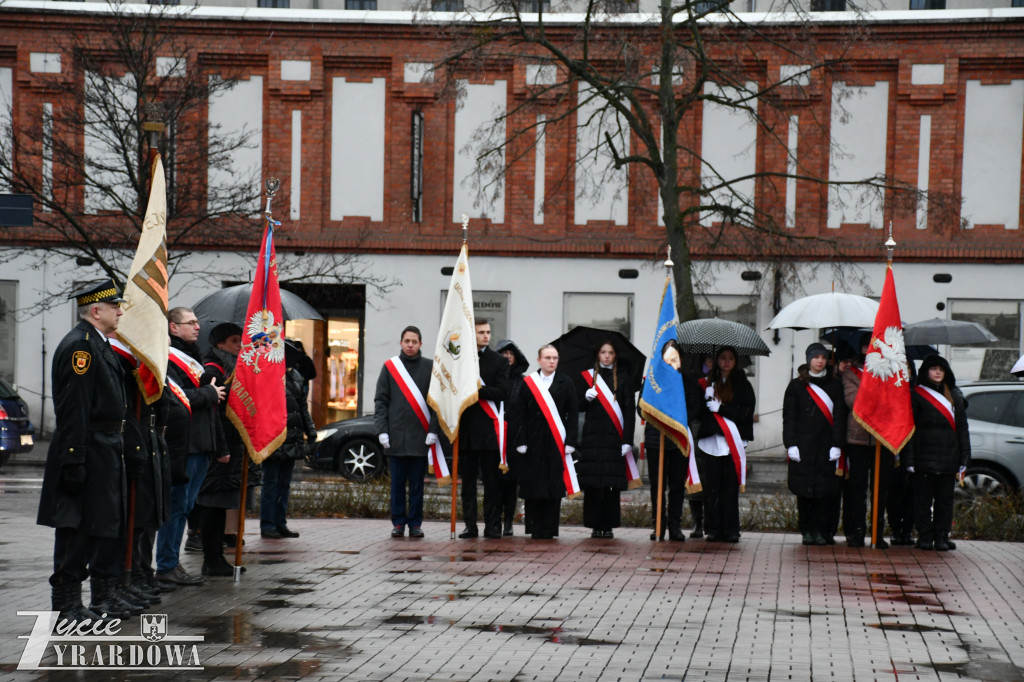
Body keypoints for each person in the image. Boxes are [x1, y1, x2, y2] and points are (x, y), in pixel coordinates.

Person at [37, 279, 129, 622]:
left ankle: (82, 601)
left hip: (103, 447)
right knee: (75, 528)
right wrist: (74, 456)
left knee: (96, 525)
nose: (119, 312)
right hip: (87, 446)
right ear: (96, 310)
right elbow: (74, 407)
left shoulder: (97, 344)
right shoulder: (81, 348)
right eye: (114, 306)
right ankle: (66, 604)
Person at [155, 307, 225, 586]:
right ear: (173, 327)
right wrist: (209, 393)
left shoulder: (193, 356)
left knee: (185, 507)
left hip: (199, 442)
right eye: (191, 323)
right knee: (177, 505)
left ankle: (172, 563)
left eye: (198, 322)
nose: (198, 327)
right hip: (184, 443)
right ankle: (166, 564)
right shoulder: (169, 357)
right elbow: (177, 397)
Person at [197, 322, 255, 576]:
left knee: (221, 505)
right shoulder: (214, 371)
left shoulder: (230, 368)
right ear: (220, 344)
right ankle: (211, 558)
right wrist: (220, 448)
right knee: (212, 503)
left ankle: (216, 557)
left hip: (229, 445)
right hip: (218, 449)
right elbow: (214, 416)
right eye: (234, 341)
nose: (240, 346)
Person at [905, 354, 970, 551]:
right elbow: (909, 429)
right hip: (923, 457)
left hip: (949, 457)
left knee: (945, 501)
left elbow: (962, 429)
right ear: (926, 372)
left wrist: (965, 457)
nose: (938, 372)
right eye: (934, 369)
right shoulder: (916, 395)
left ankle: (942, 536)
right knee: (922, 500)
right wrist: (909, 459)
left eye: (941, 369)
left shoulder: (955, 396)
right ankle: (925, 535)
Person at [512, 344, 578, 540]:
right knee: (534, 485)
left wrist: (571, 441)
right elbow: (518, 412)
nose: (552, 361)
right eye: (548, 358)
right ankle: (534, 527)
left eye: (555, 358)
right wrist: (520, 440)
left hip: (556, 440)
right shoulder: (528, 383)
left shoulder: (565, 382)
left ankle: (549, 529)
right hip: (533, 441)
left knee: (553, 485)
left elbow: (573, 414)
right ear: (539, 360)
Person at [784, 343, 847, 546]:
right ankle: (807, 531)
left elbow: (839, 417)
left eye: (823, 357)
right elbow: (789, 417)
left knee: (823, 492)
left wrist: (837, 444)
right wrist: (790, 444)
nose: (820, 360)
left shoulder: (835, 385)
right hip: (803, 446)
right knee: (804, 493)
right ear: (809, 359)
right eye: (816, 357)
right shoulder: (796, 385)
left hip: (826, 446)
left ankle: (820, 531)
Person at [374, 326, 434, 538]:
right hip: (396, 438)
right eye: (407, 341)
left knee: (417, 487)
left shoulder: (429, 367)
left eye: (414, 341)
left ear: (420, 344)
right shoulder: (390, 367)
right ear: (401, 343)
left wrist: (433, 430)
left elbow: (436, 402)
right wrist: (382, 431)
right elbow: (381, 401)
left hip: (420, 437)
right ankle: (398, 523)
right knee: (397, 486)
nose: (410, 345)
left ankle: (415, 524)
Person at [453, 319, 510, 539]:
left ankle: (492, 526)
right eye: (480, 332)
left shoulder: (498, 361)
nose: (486, 336)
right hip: (466, 430)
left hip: (488, 431)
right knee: (468, 484)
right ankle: (470, 525)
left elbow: (502, 392)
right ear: (472, 334)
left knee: (491, 484)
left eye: (488, 332)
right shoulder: (460, 360)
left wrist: (477, 391)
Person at [644, 341, 704, 541]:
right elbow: (640, 409)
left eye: (675, 356)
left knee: (677, 485)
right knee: (657, 485)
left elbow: (697, 408)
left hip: (678, 440)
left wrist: (677, 418)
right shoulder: (652, 382)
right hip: (656, 440)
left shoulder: (689, 383)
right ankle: (658, 525)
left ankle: (675, 526)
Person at [696, 347, 755, 543]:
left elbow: (746, 412)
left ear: (735, 361)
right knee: (712, 487)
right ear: (716, 361)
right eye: (722, 358)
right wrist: (704, 398)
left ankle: (731, 529)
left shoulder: (743, 384)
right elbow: (698, 412)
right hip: (711, 441)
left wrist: (722, 408)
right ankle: (713, 528)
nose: (726, 362)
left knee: (730, 488)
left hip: (733, 441)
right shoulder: (707, 383)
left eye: (730, 359)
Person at [577, 341, 634, 539]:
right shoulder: (587, 377)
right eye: (603, 352)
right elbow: (577, 406)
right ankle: (594, 525)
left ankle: (608, 525)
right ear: (598, 354)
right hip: (592, 436)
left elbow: (629, 411)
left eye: (610, 352)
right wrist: (585, 398)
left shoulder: (624, 379)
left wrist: (627, 440)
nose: (607, 356)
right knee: (593, 484)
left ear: (615, 355)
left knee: (611, 485)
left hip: (613, 438)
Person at [261, 340, 317, 540]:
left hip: (292, 437)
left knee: (284, 483)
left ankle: (280, 522)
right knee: (270, 483)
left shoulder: (296, 377)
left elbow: (303, 409)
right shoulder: (267, 376)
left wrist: (311, 433)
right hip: (274, 438)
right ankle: (267, 524)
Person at [841, 335, 893, 548]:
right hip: (859, 439)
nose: (870, 349)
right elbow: (853, 400)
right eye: (867, 346)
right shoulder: (850, 374)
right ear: (862, 349)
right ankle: (857, 532)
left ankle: (877, 533)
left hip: (882, 438)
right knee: (857, 488)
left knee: (880, 489)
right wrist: (874, 391)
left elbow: (894, 401)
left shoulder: (888, 373)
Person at [495, 338, 529, 536]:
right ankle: (494, 521)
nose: (507, 357)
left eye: (510, 353)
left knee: (511, 484)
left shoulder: (523, 382)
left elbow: (526, 412)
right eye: (503, 353)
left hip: (515, 440)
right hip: (494, 438)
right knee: (494, 484)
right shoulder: (491, 378)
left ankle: (508, 520)